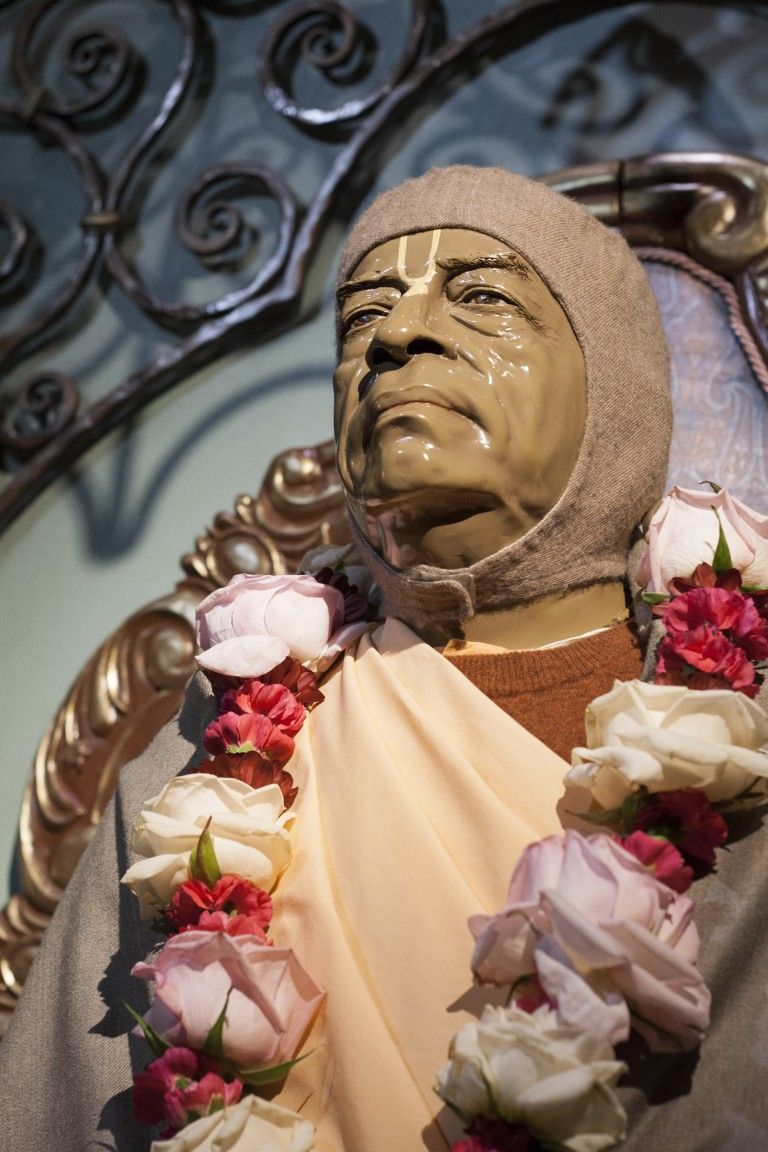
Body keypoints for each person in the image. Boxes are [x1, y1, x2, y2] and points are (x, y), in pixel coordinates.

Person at [0, 168, 760, 1152]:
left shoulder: (743, 722)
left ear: (613, 382)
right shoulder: (215, 745)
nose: (397, 336)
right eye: (363, 318)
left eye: (481, 297)